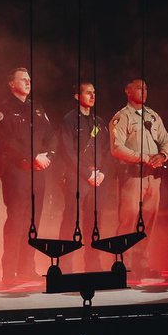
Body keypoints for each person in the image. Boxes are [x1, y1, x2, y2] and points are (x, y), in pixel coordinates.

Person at [0, 67, 54, 284]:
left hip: (37, 173)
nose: (28, 82)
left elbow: (50, 136)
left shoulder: (36, 108)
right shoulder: (4, 109)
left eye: (29, 78)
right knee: (16, 221)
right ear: (11, 84)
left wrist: (48, 156)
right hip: (17, 172)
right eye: (23, 79)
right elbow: (7, 141)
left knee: (33, 223)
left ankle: (27, 268)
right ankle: (9, 271)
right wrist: (33, 156)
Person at [109, 78, 168, 279]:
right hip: (133, 176)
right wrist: (144, 158)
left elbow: (165, 139)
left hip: (153, 177)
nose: (143, 91)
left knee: (149, 220)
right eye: (138, 88)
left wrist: (162, 155)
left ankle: (140, 263)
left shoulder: (153, 116)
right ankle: (122, 264)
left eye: (146, 88)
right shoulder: (122, 117)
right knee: (129, 218)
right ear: (127, 92)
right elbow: (117, 148)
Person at [56, 82, 108, 273]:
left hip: (98, 178)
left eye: (94, 92)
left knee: (95, 223)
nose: (92, 96)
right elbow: (67, 152)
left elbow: (106, 151)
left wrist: (102, 172)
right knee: (71, 221)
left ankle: (93, 265)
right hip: (77, 177)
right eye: (88, 92)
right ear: (77, 96)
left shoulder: (99, 122)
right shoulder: (69, 120)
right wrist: (88, 174)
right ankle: (65, 266)